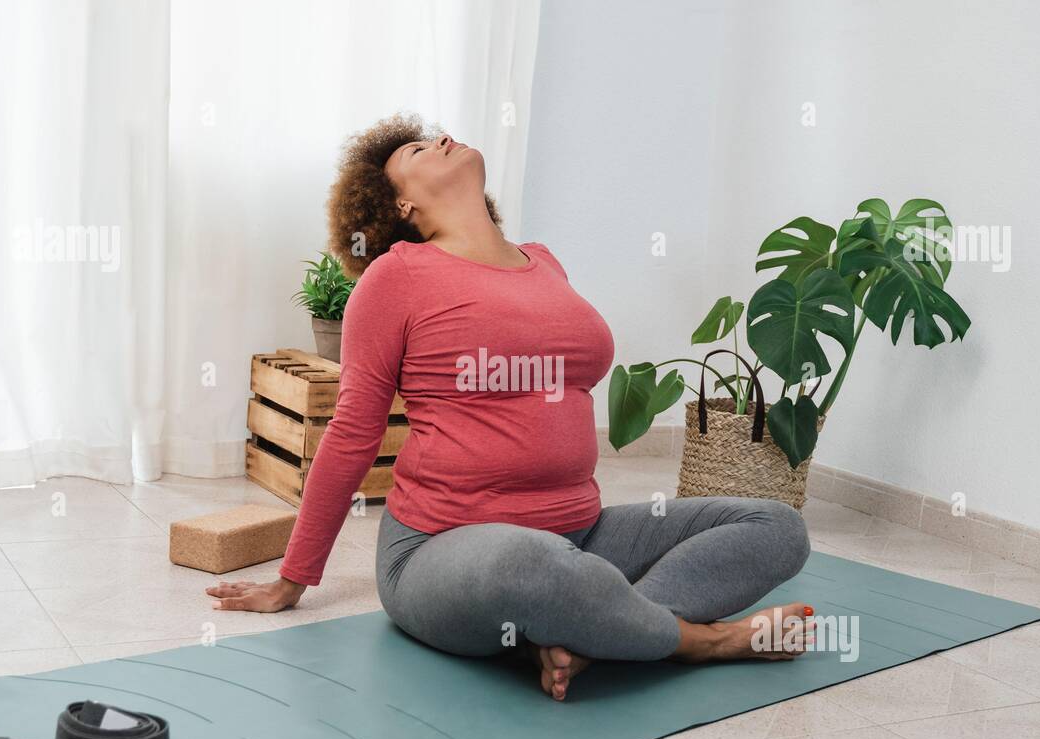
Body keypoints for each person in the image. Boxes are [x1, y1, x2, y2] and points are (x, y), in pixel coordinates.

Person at [207, 113, 815, 701]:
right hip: (441, 550)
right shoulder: (394, 279)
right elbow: (353, 433)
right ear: (401, 207)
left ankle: (592, 632)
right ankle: (701, 642)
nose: (443, 139)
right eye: (417, 152)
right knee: (532, 563)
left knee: (776, 527)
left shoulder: (544, 263)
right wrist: (294, 577)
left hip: (582, 533)